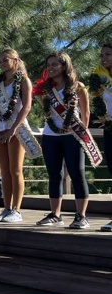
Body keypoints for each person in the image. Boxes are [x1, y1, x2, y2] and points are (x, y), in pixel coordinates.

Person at [34, 52, 99, 229]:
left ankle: (81, 216)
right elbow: (46, 110)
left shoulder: (78, 87)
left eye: (55, 64)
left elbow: (85, 114)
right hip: (50, 135)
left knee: (77, 174)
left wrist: (80, 135)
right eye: (49, 65)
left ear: (64, 65)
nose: (51, 68)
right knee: (54, 175)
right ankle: (55, 214)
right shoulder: (45, 89)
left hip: (73, 135)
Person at [0, 50, 35, 223]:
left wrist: (13, 129)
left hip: (17, 128)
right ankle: (6, 208)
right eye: (0, 61)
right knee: (4, 172)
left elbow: (26, 107)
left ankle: (17, 209)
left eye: (5, 59)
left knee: (15, 170)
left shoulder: (23, 81)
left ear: (16, 60)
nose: (2, 63)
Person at [90, 43, 112, 231]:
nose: (103, 58)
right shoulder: (99, 76)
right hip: (110, 127)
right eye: (102, 54)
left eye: (108, 54)